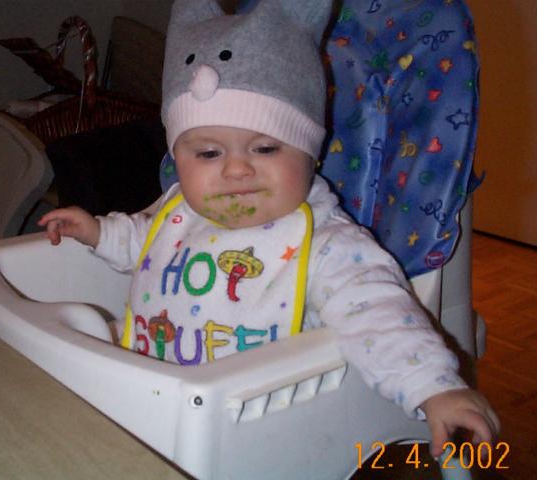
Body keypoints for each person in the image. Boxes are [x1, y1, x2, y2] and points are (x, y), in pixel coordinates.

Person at [39, 0, 499, 457]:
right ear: (178, 158)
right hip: (150, 395)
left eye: (265, 148)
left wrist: (433, 387)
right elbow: (145, 240)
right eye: (208, 154)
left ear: (309, 154)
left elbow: (379, 315)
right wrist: (99, 233)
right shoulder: (181, 210)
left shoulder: (325, 243)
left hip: (254, 430)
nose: (237, 170)